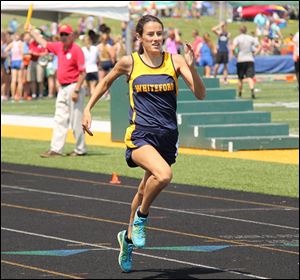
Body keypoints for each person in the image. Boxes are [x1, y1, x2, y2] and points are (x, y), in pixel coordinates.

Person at [82, 15, 206, 273]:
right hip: (140, 135)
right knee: (164, 175)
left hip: (167, 137)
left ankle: (126, 240)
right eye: (150, 34)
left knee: (142, 190)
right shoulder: (130, 62)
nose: (156, 38)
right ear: (139, 37)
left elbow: (200, 94)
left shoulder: (176, 61)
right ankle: (141, 218)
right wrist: (87, 109)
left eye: (159, 33)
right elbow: (105, 82)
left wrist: (192, 66)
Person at [28, 24, 87, 157]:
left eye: (66, 34)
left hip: (73, 86)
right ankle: (56, 149)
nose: (64, 37)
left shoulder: (76, 50)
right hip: (63, 87)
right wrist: (32, 31)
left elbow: (83, 72)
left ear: (72, 35)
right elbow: (43, 42)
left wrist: (76, 90)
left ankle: (80, 149)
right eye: (62, 34)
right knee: (59, 119)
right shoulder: (59, 47)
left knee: (76, 120)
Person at [232, 26, 261, 99]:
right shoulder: (251, 38)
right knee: (250, 77)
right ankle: (252, 90)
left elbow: (233, 48)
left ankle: (240, 93)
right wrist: (255, 53)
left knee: (240, 78)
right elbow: (259, 46)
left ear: (240, 30)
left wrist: (235, 54)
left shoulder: (237, 38)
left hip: (241, 59)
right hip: (249, 58)